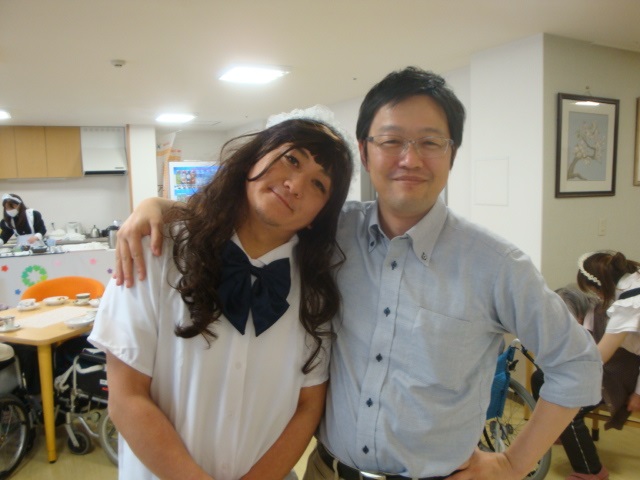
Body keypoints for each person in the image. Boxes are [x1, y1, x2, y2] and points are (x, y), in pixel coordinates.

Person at [113, 67, 602, 479]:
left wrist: (512, 464)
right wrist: (156, 207)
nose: (410, 159)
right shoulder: (331, 231)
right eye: (392, 141)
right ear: (365, 152)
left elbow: (577, 366)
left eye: (430, 142)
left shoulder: (496, 265)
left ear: (452, 154)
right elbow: (256, 212)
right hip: (327, 471)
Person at [88, 112, 355, 480]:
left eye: (318, 184)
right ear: (255, 157)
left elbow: (309, 406)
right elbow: (126, 396)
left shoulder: (316, 292)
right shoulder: (156, 250)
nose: (295, 185)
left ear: (318, 216)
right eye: (292, 159)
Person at [531, 285, 614, 480]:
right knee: (538, 378)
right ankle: (556, 430)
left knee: (568, 410)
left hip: (608, 382)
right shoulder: (576, 324)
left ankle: (592, 471)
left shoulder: (602, 322)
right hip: (584, 376)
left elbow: (598, 364)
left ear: (579, 313)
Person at [578, 251, 640, 420]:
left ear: (601, 285)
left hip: (628, 369)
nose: (596, 296)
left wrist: (638, 393)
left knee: (570, 403)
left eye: (593, 291)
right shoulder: (633, 278)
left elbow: (600, 356)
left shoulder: (628, 305)